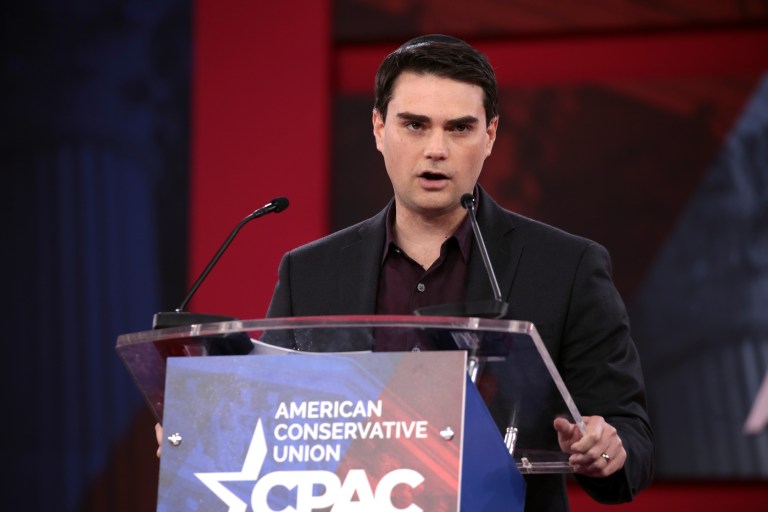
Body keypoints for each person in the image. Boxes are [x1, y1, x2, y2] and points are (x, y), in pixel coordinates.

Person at [264, 34, 654, 510]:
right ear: (378, 128)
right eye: (414, 125)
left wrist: (607, 449)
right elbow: (273, 423)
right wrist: (199, 427)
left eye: (459, 128)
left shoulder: (567, 267)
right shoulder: (310, 272)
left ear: (489, 135)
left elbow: (629, 436)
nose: (436, 149)